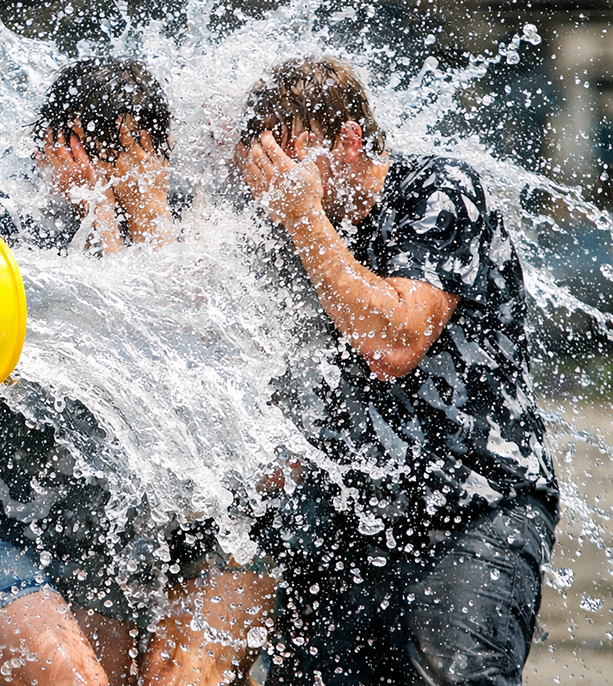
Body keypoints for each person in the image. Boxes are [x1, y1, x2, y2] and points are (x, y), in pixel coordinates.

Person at [0, 58, 273, 686]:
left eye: (138, 154)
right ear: (51, 149)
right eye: (96, 153)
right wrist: (96, 232)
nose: (111, 175)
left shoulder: (190, 219)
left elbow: (198, 364)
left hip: (100, 531)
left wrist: (143, 218)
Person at [237, 56, 557, 685]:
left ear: (350, 140)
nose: (274, 188)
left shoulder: (439, 192)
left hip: (475, 506)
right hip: (352, 516)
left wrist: (306, 220)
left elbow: (395, 342)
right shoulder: (289, 227)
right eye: (263, 166)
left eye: (287, 161)